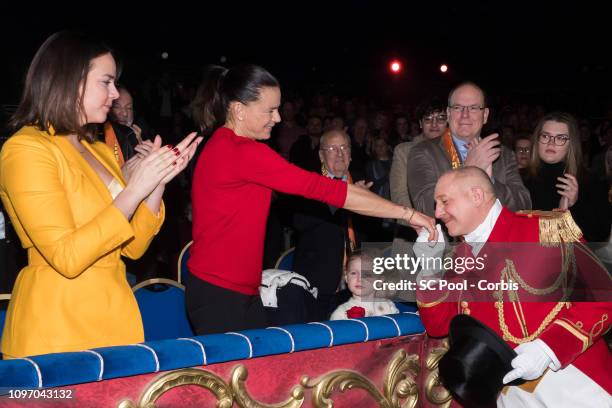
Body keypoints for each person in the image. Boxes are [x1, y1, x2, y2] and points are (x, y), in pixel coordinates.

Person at [187, 64, 437, 335]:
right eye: (269, 110)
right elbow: (329, 190)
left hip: (231, 291)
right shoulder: (241, 152)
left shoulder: (226, 146)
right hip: (221, 295)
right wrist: (407, 214)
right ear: (238, 109)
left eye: (278, 108)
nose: (278, 118)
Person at [0, 31, 201, 358]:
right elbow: (67, 257)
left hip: (114, 318)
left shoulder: (99, 150)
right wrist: (134, 187)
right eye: (106, 82)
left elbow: (133, 247)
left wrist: (156, 182)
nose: (115, 93)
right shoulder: (26, 149)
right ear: (70, 81)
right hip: (57, 328)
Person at [416, 167, 611, 407]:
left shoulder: (545, 229)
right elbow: (437, 325)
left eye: (444, 202)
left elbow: (603, 299)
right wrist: (429, 268)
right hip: (509, 395)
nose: (437, 213)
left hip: (572, 383)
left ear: (476, 196)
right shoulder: (459, 257)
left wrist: (547, 349)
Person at [407, 82, 531, 217]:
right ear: (448, 113)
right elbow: (425, 207)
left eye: (473, 108)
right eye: (458, 107)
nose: (465, 115)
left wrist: (490, 181)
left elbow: (523, 206)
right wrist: (468, 170)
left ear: (485, 115)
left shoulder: (503, 154)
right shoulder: (424, 152)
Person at [522, 112, 611, 242]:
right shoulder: (520, 177)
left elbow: (600, 235)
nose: (551, 143)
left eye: (560, 138)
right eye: (546, 136)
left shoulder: (589, 181)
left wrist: (575, 206)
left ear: (571, 144)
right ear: (537, 139)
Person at [330, 250, 399, 320]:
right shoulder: (341, 313)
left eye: (367, 275)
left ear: (379, 281)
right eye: (354, 273)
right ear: (346, 277)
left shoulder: (388, 306)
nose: (359, 279)